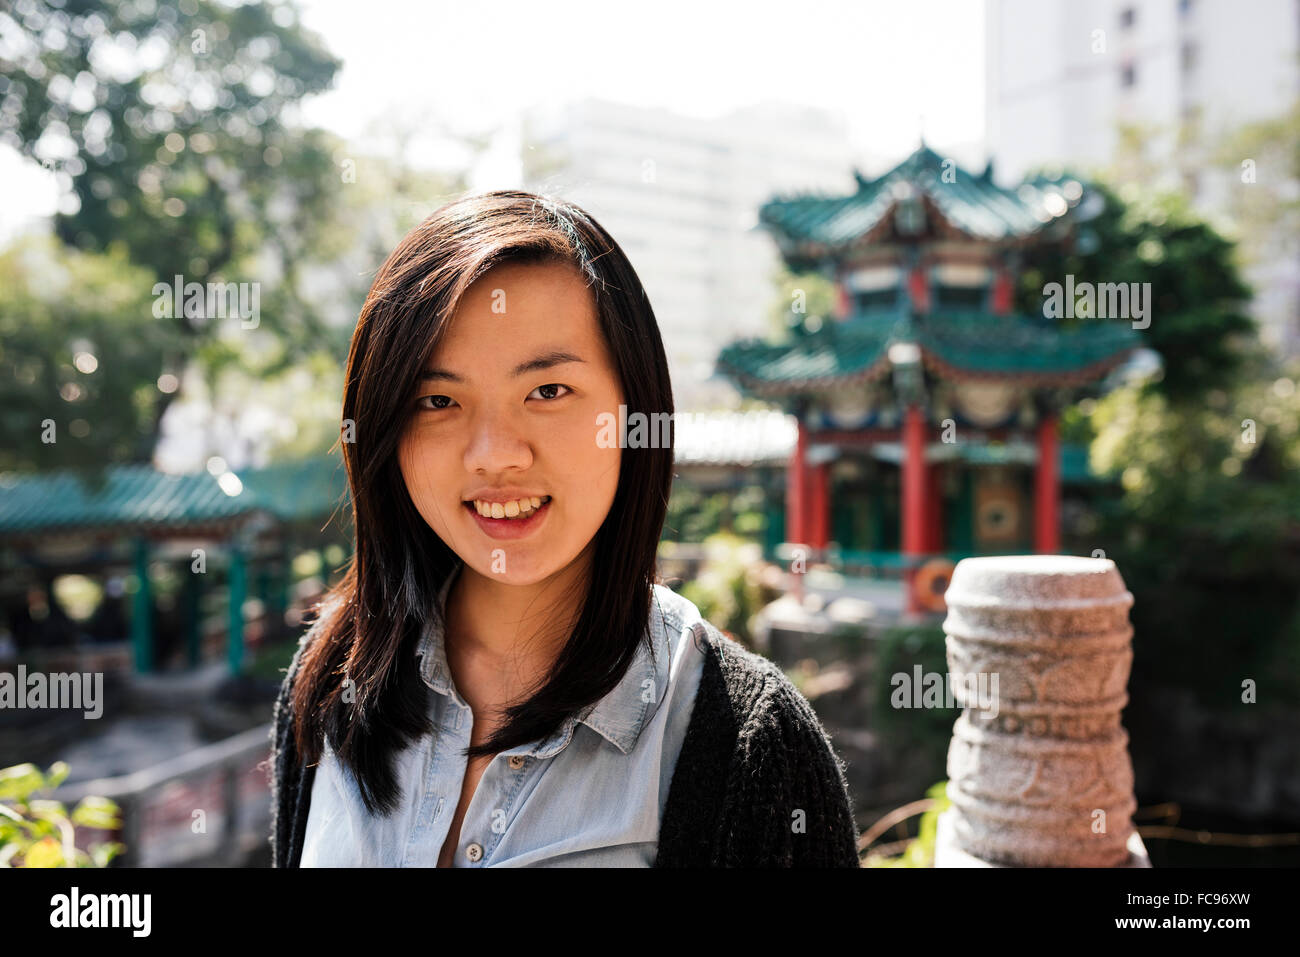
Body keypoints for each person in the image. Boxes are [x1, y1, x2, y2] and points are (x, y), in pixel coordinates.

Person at [267, 190, 860, 867]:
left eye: (548, 392)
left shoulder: (751, 748)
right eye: (438, 400)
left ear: (633, 410)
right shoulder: (332, 681)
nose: (495, 453)